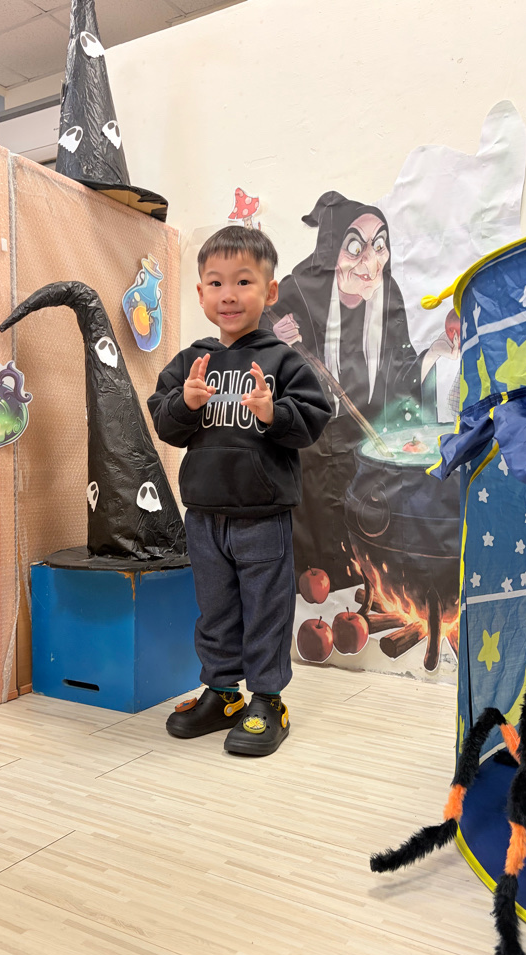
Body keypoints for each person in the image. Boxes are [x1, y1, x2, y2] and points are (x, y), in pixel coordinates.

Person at [148, 225, 331, 756]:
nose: (228, 294)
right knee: (216, 610)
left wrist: (275, 413)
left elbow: (314, 418)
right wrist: (186, 403)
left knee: (266, 610)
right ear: (200, 292)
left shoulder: (283, 360)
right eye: (216, 282)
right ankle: (223, 694)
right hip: (204, 516)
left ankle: (268, 700)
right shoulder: (191, 362)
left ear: (269, 292)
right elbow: (165, 423)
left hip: (262, 516)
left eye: (243, 281)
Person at [266, 191, 424, 590]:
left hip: (366, 428)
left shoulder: (389, 294)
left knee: (369, 514)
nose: (370, 261)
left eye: (380, 245)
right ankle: (320, 589)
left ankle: (370, 589)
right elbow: (261, 338)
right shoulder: (298, 288)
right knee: (318, 511)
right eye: (356, 247)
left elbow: (401, 362)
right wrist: (276, 336)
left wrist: (410, 420)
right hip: (315, 434)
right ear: (333, 249)